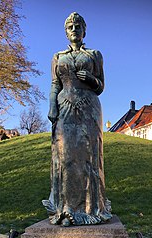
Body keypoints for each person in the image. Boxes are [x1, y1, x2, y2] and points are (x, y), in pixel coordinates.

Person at [42, 12, 112, 226]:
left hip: (89, 107)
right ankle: (65, 209)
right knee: (65, 157)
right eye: (70, 26)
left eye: (78, 26)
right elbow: (55, 84)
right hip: (64, 107)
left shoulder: (94, 54)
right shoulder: (58, 56)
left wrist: (91, 79)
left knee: (89, 157)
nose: (74, 29)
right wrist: (52, 106)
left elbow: (101, 86)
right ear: (66, 32)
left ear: (84, 30)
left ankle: (91, 208)